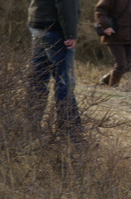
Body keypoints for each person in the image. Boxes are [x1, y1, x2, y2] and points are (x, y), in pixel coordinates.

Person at [27, 0, 82, 137]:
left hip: (37, 24)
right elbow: (67, 4)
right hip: (55, 29)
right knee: (64, 81)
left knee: (37, 80)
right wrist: (70, 34)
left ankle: (29, 126)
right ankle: (69, 132)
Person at [94, 0, 131, 87]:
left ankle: (106, 80)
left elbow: (125, 15)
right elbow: (100, 10)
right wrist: (106, 26)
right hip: (114, 35)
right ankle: (113, 87)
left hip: (128, 35)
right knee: (121, 65)